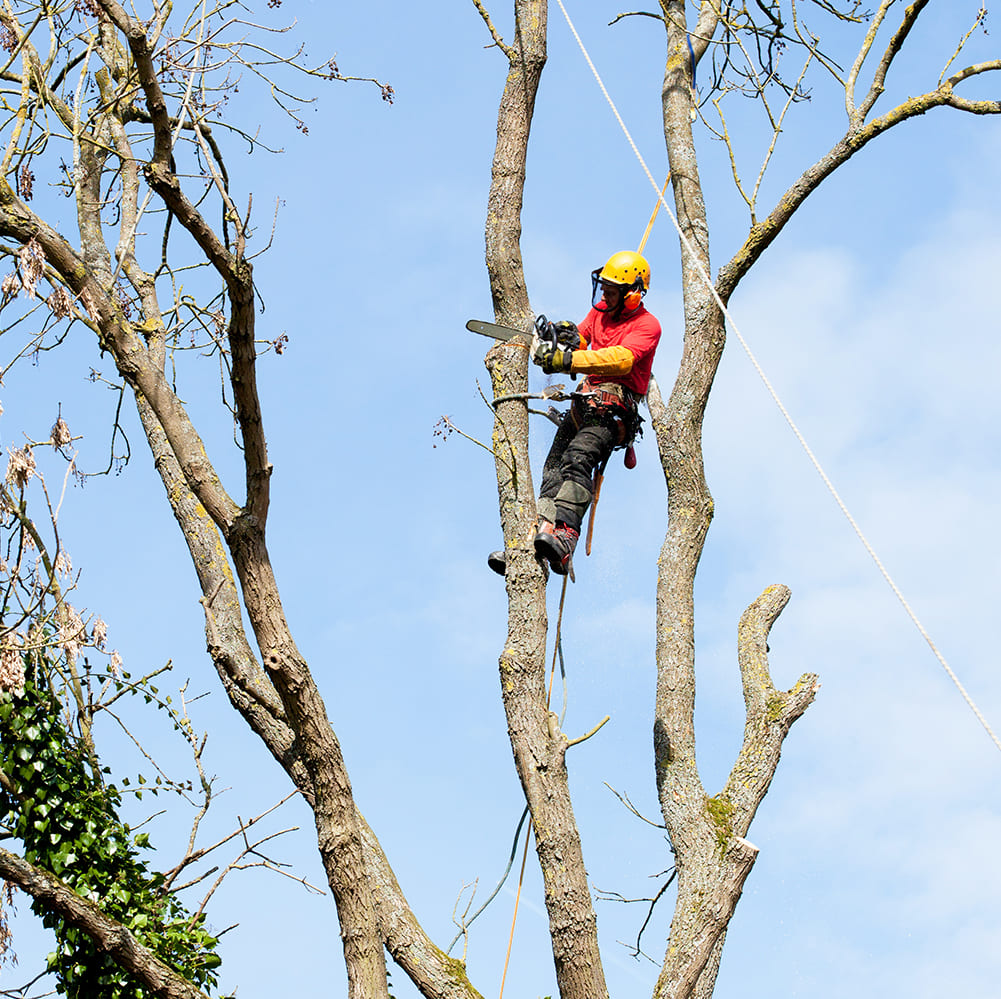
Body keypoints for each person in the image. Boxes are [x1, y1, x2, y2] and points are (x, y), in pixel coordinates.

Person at [489, 250, 662, 577]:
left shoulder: (648, 326)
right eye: (605, 287)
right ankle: (536, 538)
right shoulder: (600, 313)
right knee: (553, 468)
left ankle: (566, 536)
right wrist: (564, 339)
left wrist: (567, 362)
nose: (605, 294)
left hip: (613, 413)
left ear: (632, 294)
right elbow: (582, 339)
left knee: (578, 459)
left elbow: (620, 359)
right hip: (583, 406)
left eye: (612, 290)